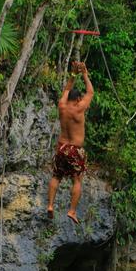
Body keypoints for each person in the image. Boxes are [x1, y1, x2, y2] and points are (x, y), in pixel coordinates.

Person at [47, 61, 94, 225]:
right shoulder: (79, 108)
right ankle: (72, 210)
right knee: (77, 179)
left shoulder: (61, 106)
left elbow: (66, 90)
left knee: (56, 176)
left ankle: (51, 205)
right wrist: (85, 74)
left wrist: (74, 73)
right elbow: (91, 92)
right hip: (75, 149)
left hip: (61, 147)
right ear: (79, 98)